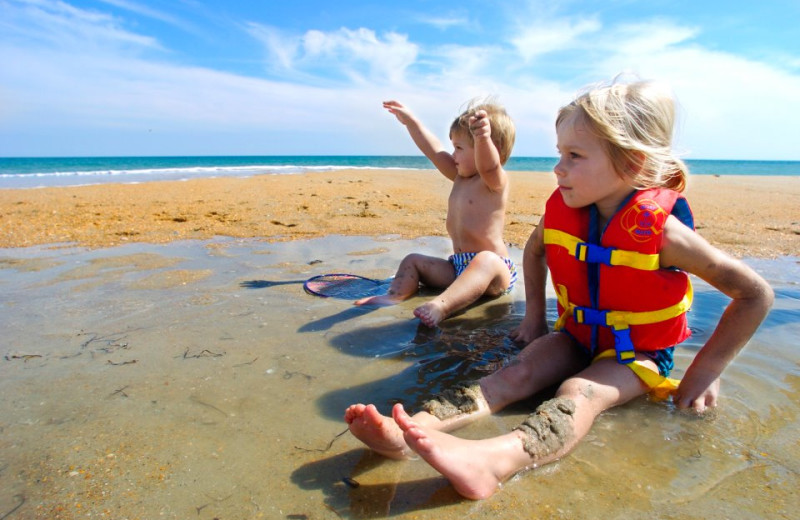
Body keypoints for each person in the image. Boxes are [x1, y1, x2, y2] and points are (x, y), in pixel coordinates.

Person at [344, 79, 774, 500]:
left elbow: (755, 294)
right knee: (515, 373)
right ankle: (408, 432)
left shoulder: (664, 233)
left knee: (579, 393)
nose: (557, 168)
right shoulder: (563, 212)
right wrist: (534, 319)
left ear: (632, 164)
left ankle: (496, 460)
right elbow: (534, 254)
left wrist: (704, 373)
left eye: (574, 156)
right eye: (559, 153)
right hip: (576, 335)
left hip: (636, 354)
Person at [354, 99, 517, 328]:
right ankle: (396, 295)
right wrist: (411, 122)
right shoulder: (460, 176)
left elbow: (489, 165)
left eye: (459, 148)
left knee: (485, 260)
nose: (453, 154)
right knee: (412, 261)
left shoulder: (492, 181)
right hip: (458, 268)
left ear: (492, 149)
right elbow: (433, 151)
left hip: (493, 272)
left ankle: (441, 306)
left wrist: (482, 138)